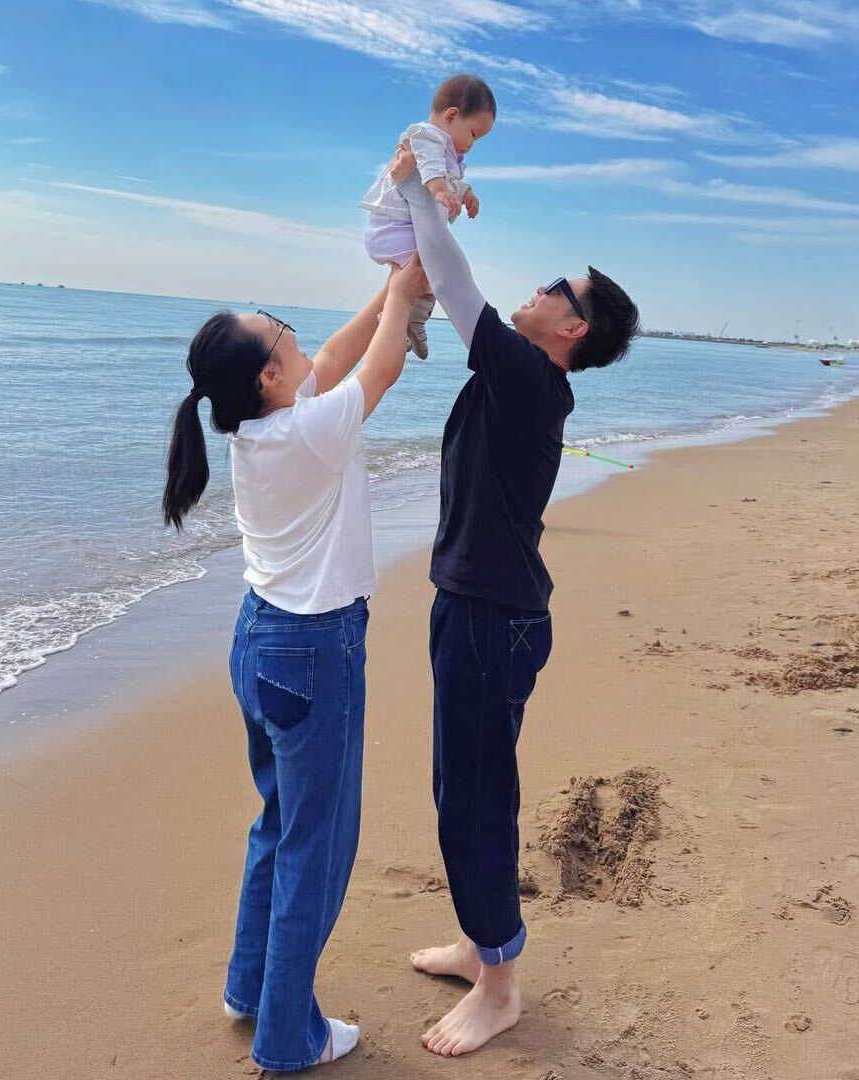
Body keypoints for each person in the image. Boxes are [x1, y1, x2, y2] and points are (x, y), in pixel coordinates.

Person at [389, 143, 640, 1057]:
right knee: (459, 785)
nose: (535, 290)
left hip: (492, 621)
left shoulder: (534, 382)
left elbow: (457, 287)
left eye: (554, 289)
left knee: (477, 798)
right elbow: (442, 293)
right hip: (478, 609)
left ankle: (500, 986)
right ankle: (478, 942)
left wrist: (416, 189)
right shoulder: (519, 381)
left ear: (571, 328)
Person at [161, 255, 430, 1072]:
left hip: (261, 644)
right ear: (271, 376)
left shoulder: (264, 427)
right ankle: (288, 1037)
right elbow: (380, 366)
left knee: (279, 827)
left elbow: (342, 356)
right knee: (318, 845)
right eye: (281, 329)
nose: (294, 330)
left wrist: (395, 285)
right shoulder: (308, 431)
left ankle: (249, 989)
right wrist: (405, 292)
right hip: (313, 652)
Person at [360, 73, 495, 360]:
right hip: (392, 227)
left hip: (403, 227)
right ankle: (396, 320)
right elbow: (430, 167)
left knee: (431, 272)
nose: (473, 144)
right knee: (432, 270)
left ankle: (410, 321)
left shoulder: (445, 150)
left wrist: (465, 193)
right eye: (473, 134)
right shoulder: (427, 137)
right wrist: (440, 191)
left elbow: (450, 179)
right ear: (452, 115)